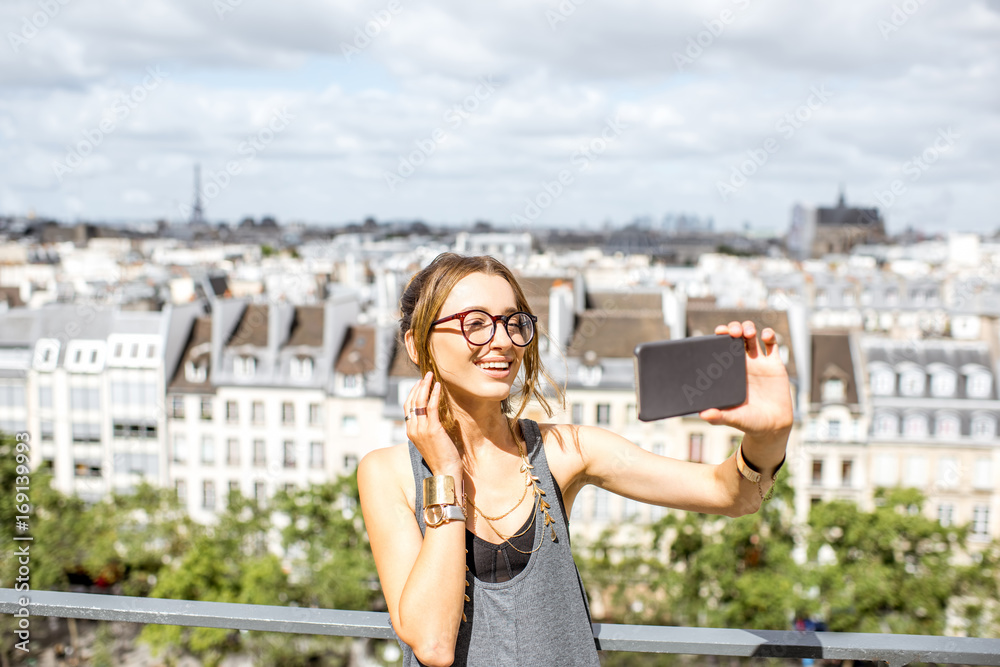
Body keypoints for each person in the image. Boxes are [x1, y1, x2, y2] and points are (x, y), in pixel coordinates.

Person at [358, 253, 793, 666]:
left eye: (514, 323)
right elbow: (432, 643)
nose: (503, 341)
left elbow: (731, 494)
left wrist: (769, 435)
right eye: (475, 324)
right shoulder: (388, 474)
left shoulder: (566, 452)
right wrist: (447, 473)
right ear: (418, 345)